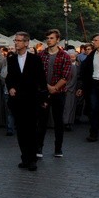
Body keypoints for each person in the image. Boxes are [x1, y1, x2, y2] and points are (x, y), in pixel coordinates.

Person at [6, 31, 47, 171]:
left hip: (32, 100)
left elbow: (41, 80)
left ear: (26, 43)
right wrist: (10, 87)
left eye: (19, 40)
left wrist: (43, 98)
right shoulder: (11, 59)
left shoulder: (35, 59)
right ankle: (24, 157)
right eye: (15, 40)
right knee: (21, 131)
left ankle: (32, 159)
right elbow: (9, 78)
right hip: (17, 100)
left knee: (31, 130)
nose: (16, 43)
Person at [37, 29, 72, 158]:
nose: (49, 40)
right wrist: (47, 87)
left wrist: (55, 88)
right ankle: (39, 147)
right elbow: (38, 74)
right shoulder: (41, 55)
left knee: (58, 121)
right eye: (47, 38)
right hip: (44, 92)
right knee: (42, 121)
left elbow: (66, 75)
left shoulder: (65, 56)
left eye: (51, 38)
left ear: (57, 40)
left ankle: (58, 148)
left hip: (59, 93)